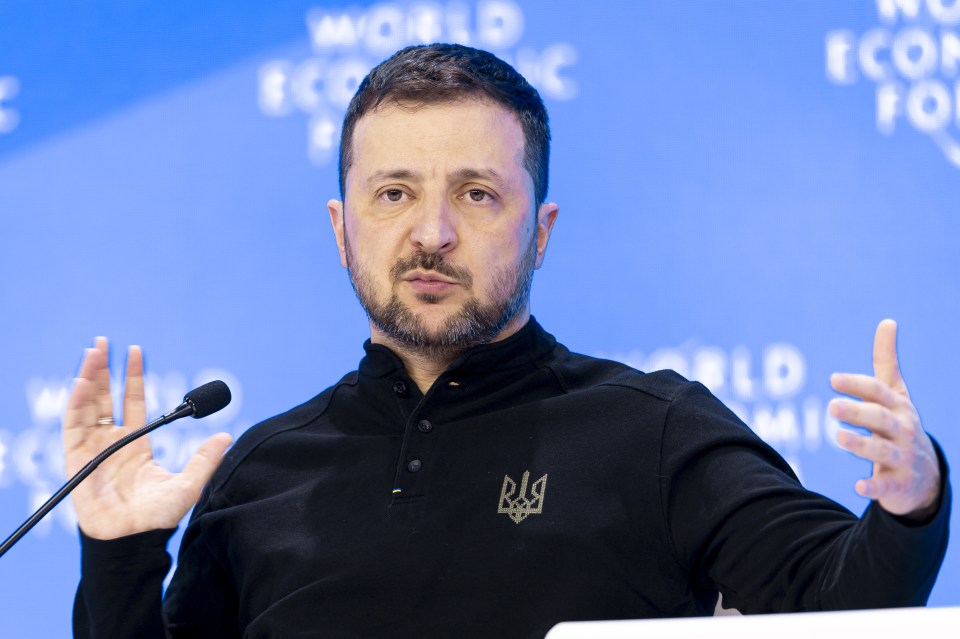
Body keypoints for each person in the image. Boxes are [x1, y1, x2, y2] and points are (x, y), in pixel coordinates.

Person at [67, 44, 949, 639]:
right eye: (394, 193)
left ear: (542, 229)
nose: (433, 231)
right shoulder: (259, 472)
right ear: (341, 228)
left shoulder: (655, 432)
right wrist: (116, 556)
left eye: (477, 194)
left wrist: (911, 501)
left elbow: (843, 603)